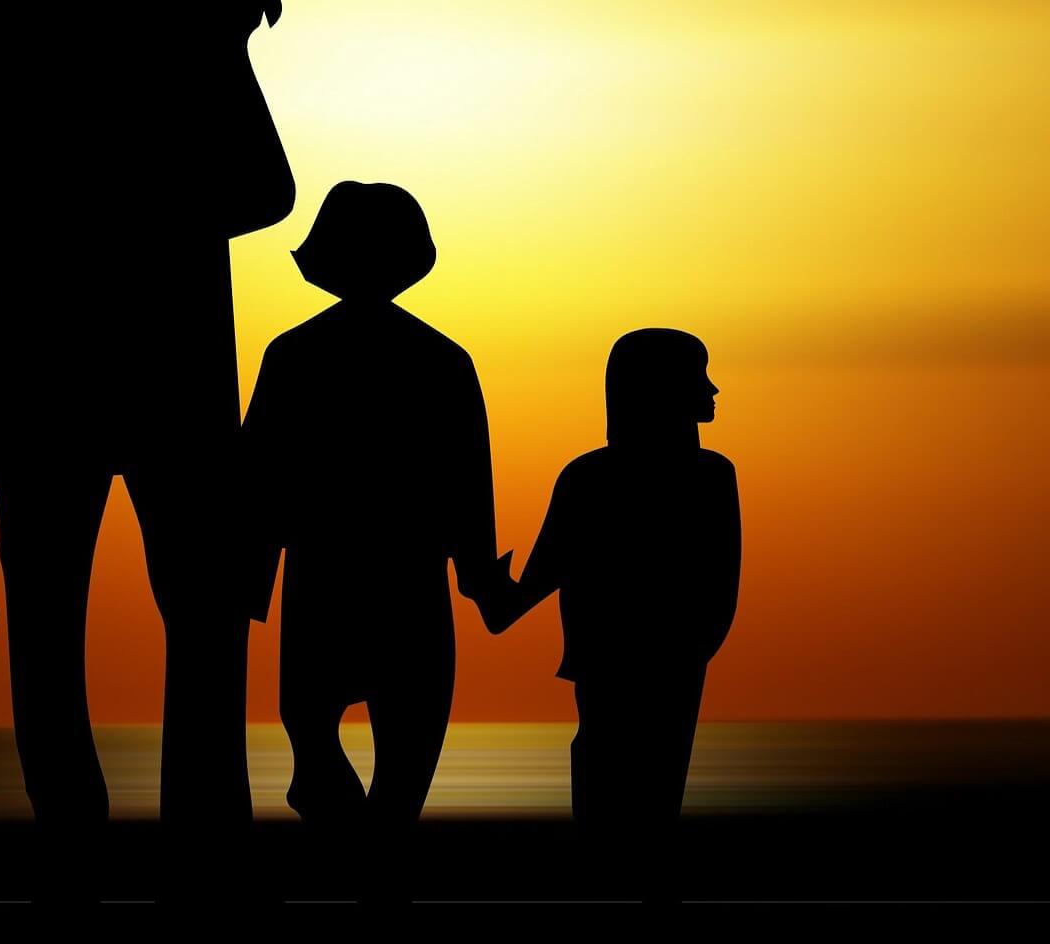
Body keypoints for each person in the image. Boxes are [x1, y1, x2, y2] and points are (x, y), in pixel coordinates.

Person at [0, 0, 295, 850]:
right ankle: (197, 840)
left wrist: (43, 212)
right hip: (158, 374)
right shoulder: (163, 30)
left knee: (66, 630)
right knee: (186, 626)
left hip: (62, 379)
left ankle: (95, 843)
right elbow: (265, 188)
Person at [242, 182, 511, 838]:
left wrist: (247, 586)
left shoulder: (292, 355)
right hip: (409, 595)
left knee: (318, 758)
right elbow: (470, 488)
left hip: (322, 588)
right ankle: (377, 886)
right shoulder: (445, 361)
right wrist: (482, 582)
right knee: (396, 790)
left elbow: (257, 487)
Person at [490, 329, 741, 833]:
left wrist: (490, 587)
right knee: (643, 797)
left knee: (626, 795)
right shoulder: (702, 477)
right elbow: (719, 589)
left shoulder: (592, 477)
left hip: (650, 661)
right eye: (698, 376)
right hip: (656, 663)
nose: (713, 390)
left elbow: (518, 599)